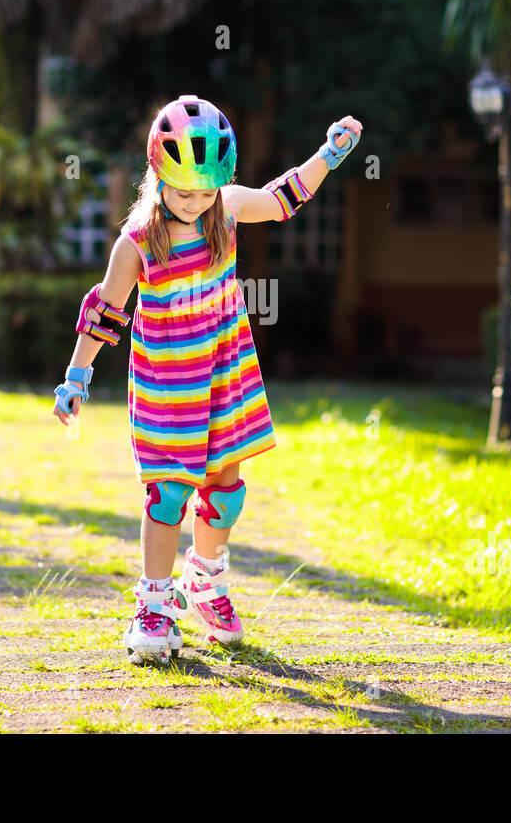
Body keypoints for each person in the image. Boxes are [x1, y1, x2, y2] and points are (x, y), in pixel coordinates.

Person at [52, 93, 362, 664]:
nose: (196, 202)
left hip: (224, 371)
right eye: (184, 191)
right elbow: (106, 312)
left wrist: (327, 155)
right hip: (169, 383)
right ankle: (153, 603)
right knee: (168, 494)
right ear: (157, 175)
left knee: (225, 487)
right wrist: (77, 375)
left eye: (205, 190)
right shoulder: (138, 241)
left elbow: (279, 200)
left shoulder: (223, 210)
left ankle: (206, 581)